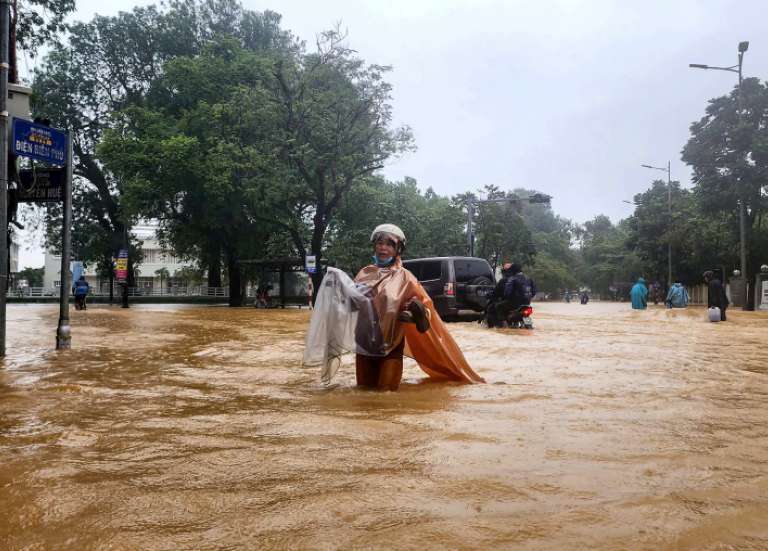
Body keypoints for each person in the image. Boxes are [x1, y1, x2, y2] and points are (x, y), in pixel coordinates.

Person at [303, 223, 484, 390]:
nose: (383, 248)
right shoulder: (364, 273)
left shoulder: (406, 278)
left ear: (398, 249)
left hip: (390, 346)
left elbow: (427, 309)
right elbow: (352, 306)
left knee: (385, 395)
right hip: (364, 344)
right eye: (380, 243)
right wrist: (337, 293)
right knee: (364, 395)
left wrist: (416, 313)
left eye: (389, 244)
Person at [487, 263, 536, 328]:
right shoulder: (529, 279)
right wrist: (528, 298)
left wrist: (508, 297)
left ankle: (503, 325)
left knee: (498, 307)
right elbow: (534, 292)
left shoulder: (512, 279)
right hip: (527, 304)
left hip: (514, 304)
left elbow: (507, 292)